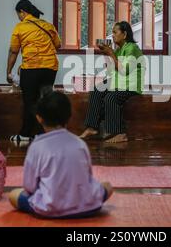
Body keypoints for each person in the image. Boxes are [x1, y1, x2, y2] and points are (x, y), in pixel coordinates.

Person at [9, 91, 113, 219]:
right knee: (107, 186)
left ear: (39, 117)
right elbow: (87, 178)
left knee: (13, 195)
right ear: (69, 116)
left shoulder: (37, 146)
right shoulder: (80, 143)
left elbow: (29, 186)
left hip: (51, 208)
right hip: (88, 206)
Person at [7, 0, 61, 148]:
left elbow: (13, 51)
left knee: (30, 101)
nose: (18, 17)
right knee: (44, 101)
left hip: (31, 68)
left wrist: (9, 71)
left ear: (23, 12)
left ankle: (25, 134)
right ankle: (42, 133)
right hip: (50, 68)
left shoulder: (20, 27)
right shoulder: (48, 26)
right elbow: (58, 45)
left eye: (18, 14)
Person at [80, 22, 145, 144]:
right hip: (118, 82)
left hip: (130, 86)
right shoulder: (119, 49)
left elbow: (124, 70)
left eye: (115, 32)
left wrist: (110, 53)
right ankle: (92, 127)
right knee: (97, 89)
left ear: (124, 34)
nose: (112, 35)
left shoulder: (132, 48)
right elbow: (111, 70)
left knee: (111, 98)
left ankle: (120, 134)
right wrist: (106, 54)